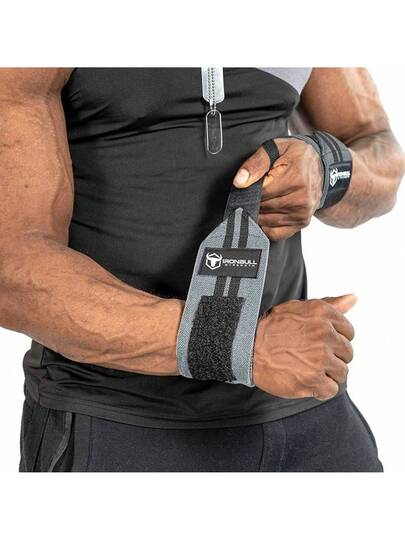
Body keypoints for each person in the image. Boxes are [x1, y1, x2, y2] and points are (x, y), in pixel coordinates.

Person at [0, 68, 403, 472]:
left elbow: (380, 151)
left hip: (300, 394)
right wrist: (240, 344)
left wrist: (325, 167)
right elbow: (12, 268)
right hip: (117, 416)